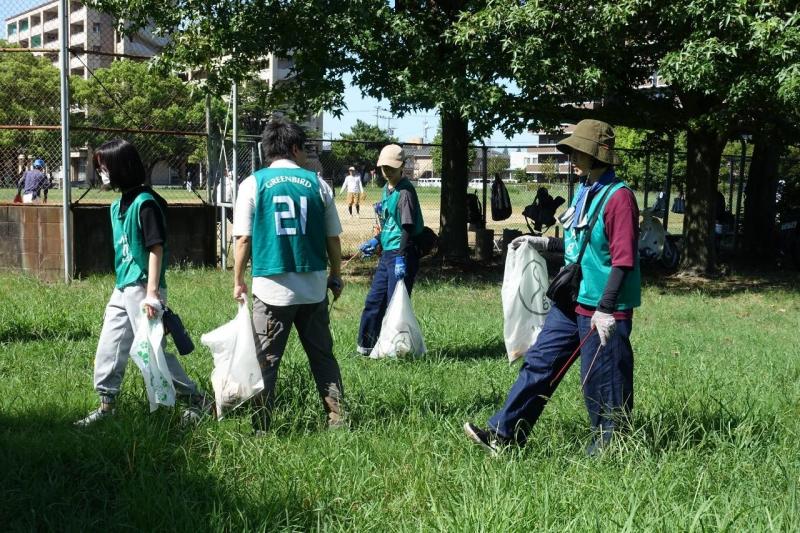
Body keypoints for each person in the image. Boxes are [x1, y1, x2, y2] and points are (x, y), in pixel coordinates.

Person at [464, 119, 641, 455]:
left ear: (596, 155)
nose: (572, 158)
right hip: (572, 300)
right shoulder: (587, 190)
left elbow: (624, 260)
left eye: (578, 151)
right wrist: (542, 243)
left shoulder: (620, 198)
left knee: (602, 382)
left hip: (602, 308)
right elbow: (580, 246)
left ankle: (610, 452)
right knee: (540, 364)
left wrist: (606, 309)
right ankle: (504, 436)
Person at [75, 139, 211, 426]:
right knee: (109, 345)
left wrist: (152, 293)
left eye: (104, 167)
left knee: (151, 351)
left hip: (142, 287)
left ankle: (196, 399)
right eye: (99, 168)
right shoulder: (117, 206)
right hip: (123, 286)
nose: (101, 173)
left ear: (121, 166)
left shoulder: (146, 203)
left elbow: (155, 248)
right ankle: (107, 404)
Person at [232, 118, 346, 433]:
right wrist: (336, 275)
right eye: (304, 148)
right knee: (323, 357)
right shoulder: (318, 184)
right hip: (313, 289)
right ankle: (338, 419)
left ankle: (261, 426)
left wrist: (238, 280)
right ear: (294, 148)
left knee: (266, 361)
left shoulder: (253, 183)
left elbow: (243, 239)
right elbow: (333, 238)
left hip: (271, 289)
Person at [356, 144, 424, 355]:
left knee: (396, 305)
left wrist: (401, 257)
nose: (387, 172)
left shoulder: (405, 192)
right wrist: (376, 240)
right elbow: (389, 223)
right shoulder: (387, 189)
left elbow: (407, 227)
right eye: (384, 168)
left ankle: (396, 350)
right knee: (374, 301)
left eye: (392, 168)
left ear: (402, 166)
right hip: (387, 253)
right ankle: (366, 347)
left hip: (401, 253)